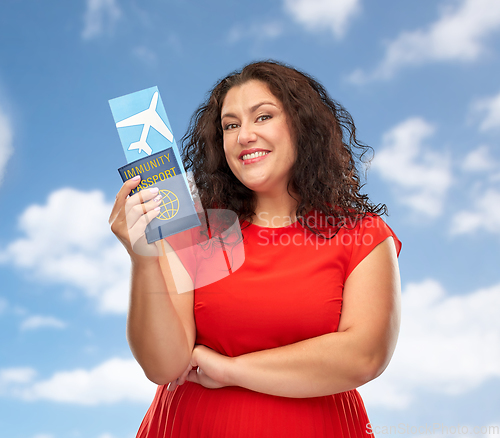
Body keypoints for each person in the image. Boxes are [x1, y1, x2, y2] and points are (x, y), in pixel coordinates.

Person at [109, 60, 402, 437]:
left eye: (262, 117)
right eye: (230, 125)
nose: (244, 135)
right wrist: (143, 259)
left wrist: (228, 370)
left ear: (303, 126)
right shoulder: (198, 232)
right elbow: (164, 367)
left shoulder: (361, 234)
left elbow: (365, 356)